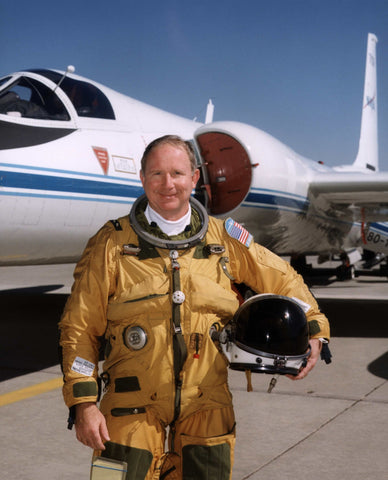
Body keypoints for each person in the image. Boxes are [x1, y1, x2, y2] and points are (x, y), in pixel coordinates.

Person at [59, 135, 330, 480]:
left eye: (177, 173)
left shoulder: (225, 239)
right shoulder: (111, 244)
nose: (167, 184)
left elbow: (283, 279)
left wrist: (315, 325)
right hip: (129, 408)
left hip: (208, 404)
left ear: (195, 178)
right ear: (142, 179)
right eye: (156, 174)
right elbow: (79, 328)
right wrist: (83, 404)